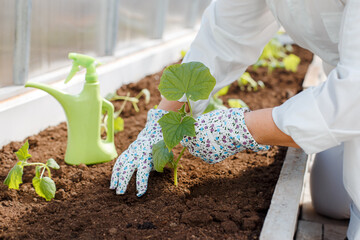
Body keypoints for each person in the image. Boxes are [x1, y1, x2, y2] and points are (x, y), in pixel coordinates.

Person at [110, 0, 360, 238]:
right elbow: (221, 40)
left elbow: (353, 97)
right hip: (339, 88)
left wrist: (243, 127)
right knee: (330, 199)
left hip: (350, 97)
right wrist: (163, 120)